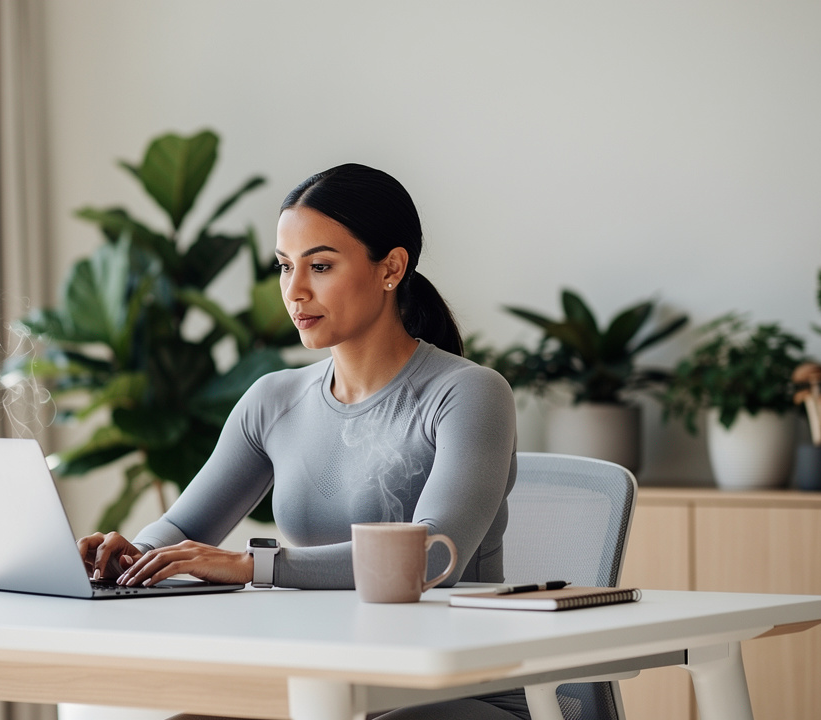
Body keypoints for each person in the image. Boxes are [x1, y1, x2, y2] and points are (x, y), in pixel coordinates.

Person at [77, 163, 526, 720]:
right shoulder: (274, 400)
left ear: (391, 268)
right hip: (324, 686)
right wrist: (134, 558)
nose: (294, 291)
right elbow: (183, 529)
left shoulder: (469, 393)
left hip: (450, 695)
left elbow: (434, 556)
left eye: (320, 266)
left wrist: (252, 565)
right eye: (286, 267)